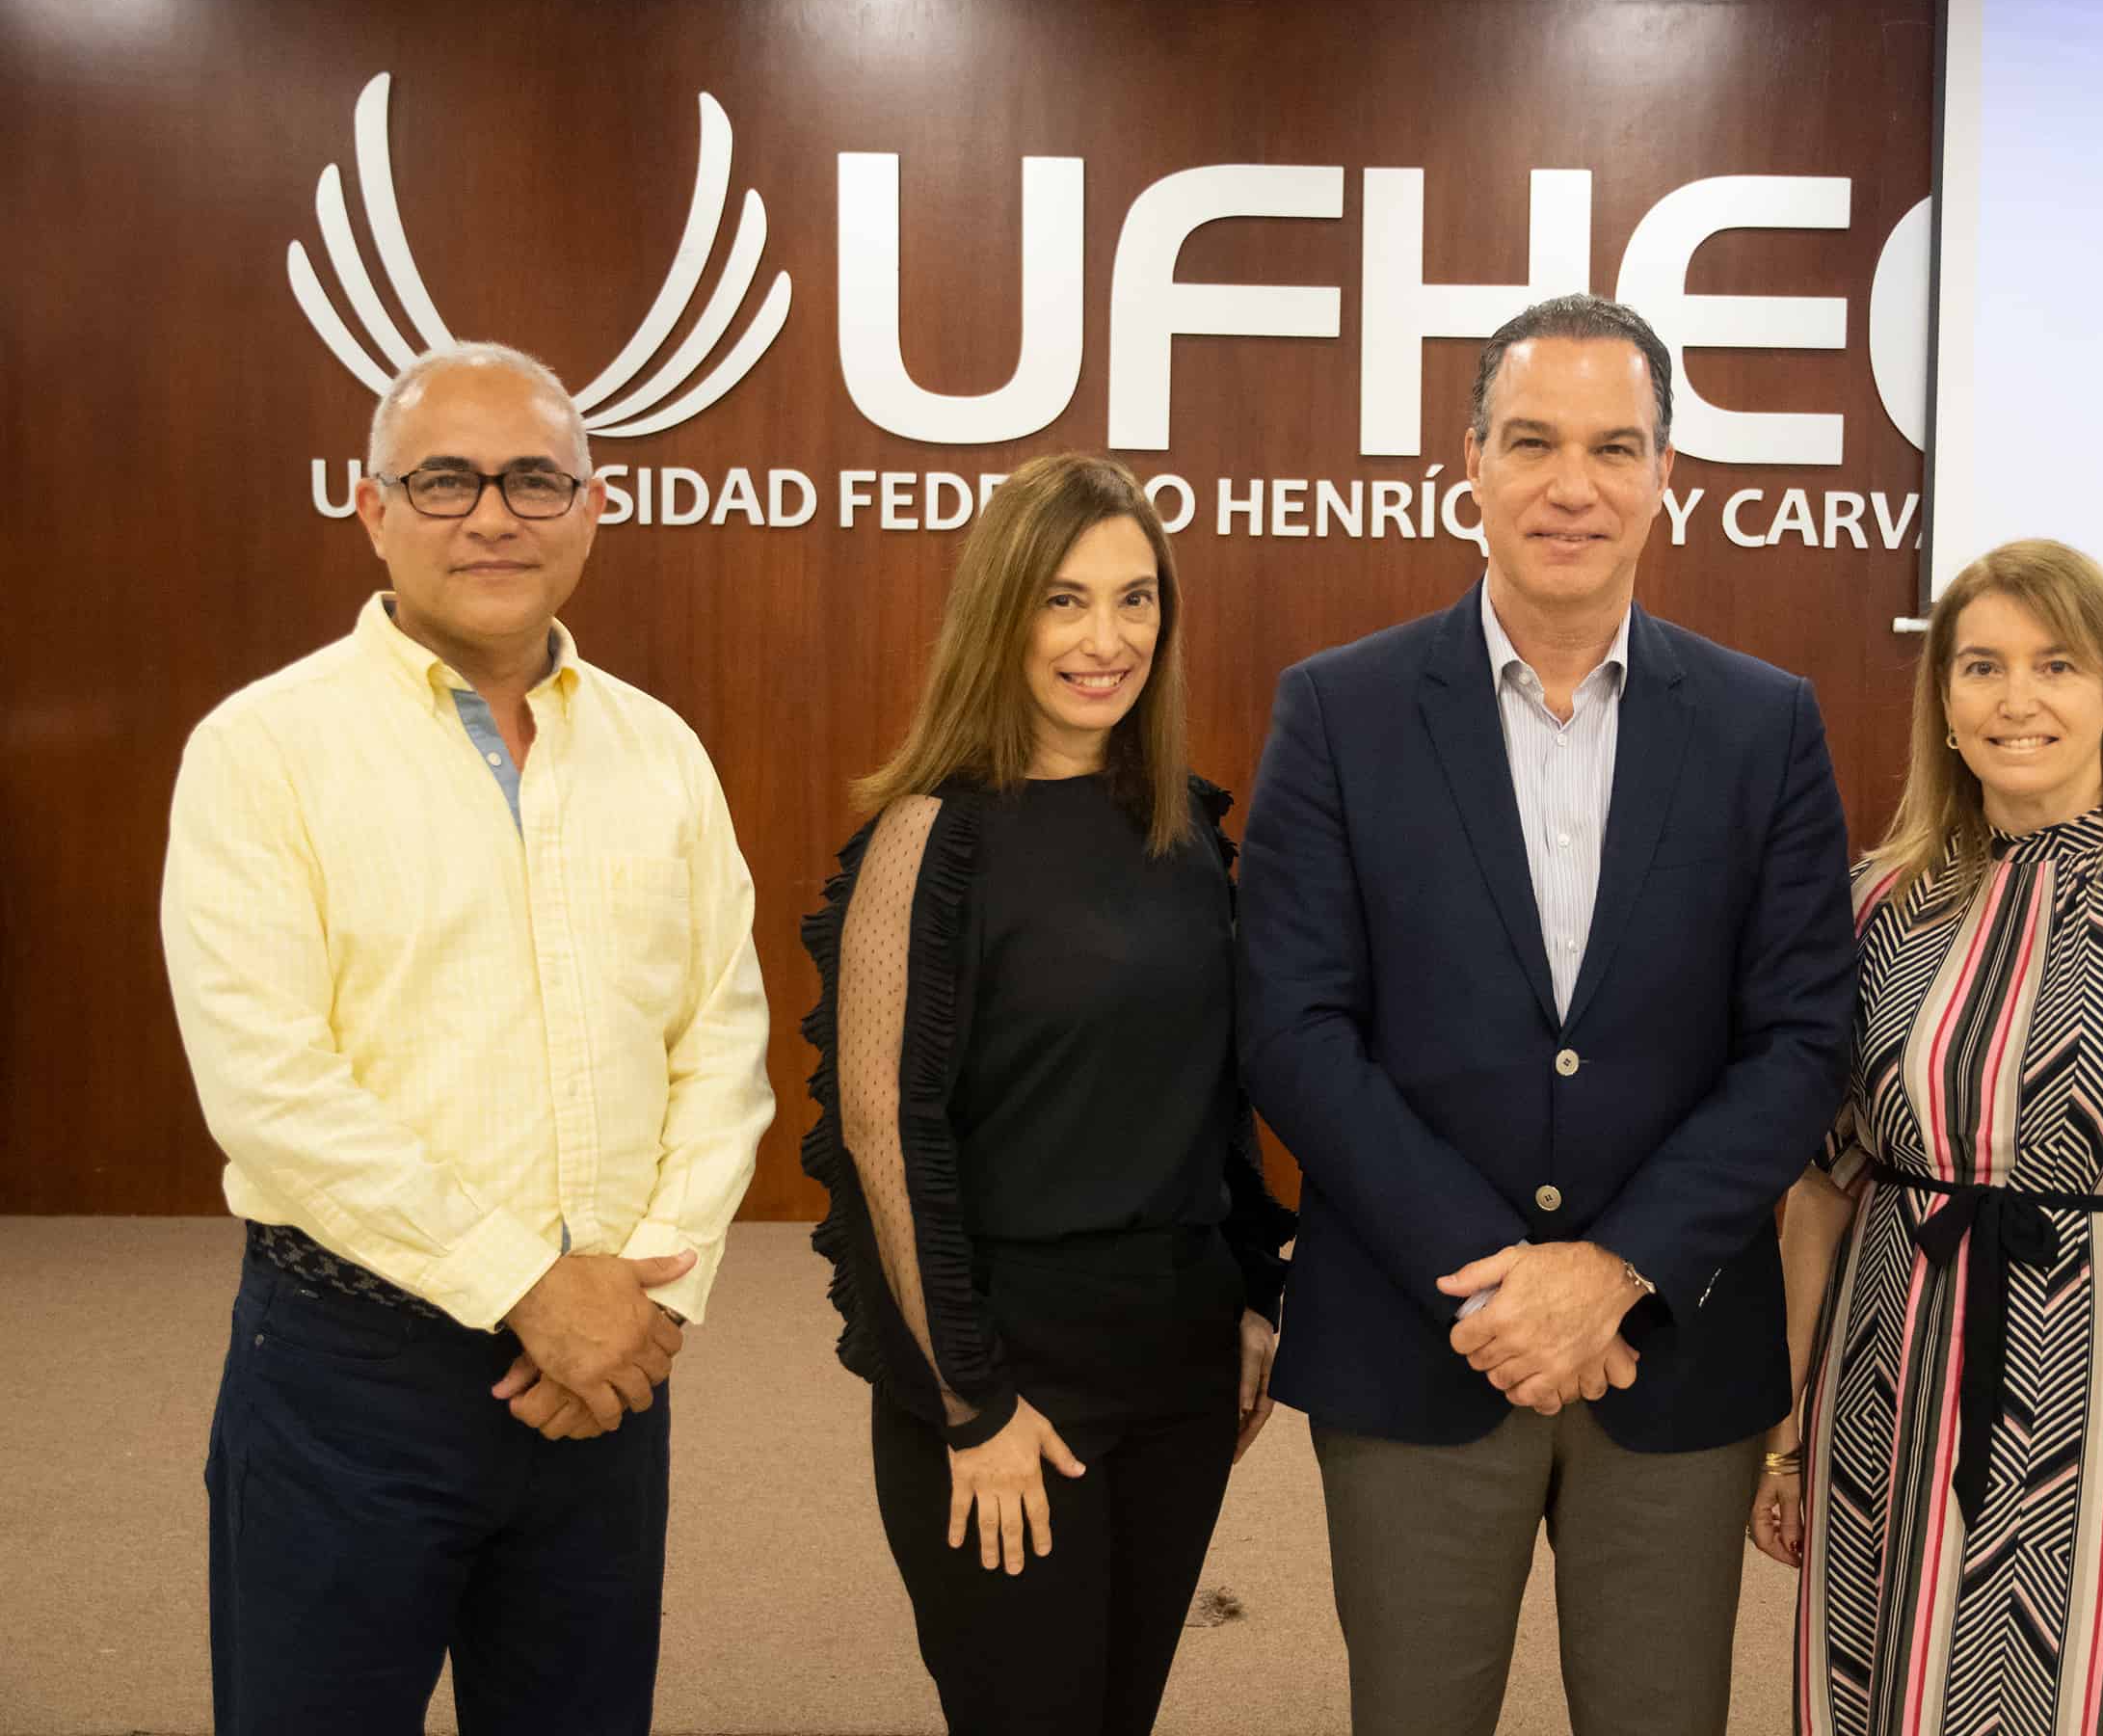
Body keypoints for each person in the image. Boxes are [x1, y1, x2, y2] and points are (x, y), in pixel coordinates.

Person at [1237, 294, 1857, 1736]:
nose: (1572, 485)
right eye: (1532, 442)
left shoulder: (1766, 726)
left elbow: (1801, 1040)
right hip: (1418, 1335)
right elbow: (1294, 1027)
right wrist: (1501, 1278)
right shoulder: (1340, 710)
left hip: (1675, 1347)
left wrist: (1615, 1268)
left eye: (1613, 446)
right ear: (1468, 463)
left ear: (1664, 477)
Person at [159, 341, 775, 1735]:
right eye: (445, 479)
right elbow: (271, 1089)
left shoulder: (660, 752)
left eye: (533, 480)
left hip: (606, 1383)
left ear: (592, 508)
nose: (493, 514)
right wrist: (529, 1290)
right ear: (373, 511)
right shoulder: (264, 750)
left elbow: (719, 1044)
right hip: (350, 1381)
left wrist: (652, 1302)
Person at [1749, 538, 2103, 1735]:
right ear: (1942, 703)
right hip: (1887, 1357)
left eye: (2056, 665)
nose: (2016, 699)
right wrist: (1786, 1429)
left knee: (2093, 1678)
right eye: (1981, 667)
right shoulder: (1880, 899)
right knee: (1882, 1677)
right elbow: (1821, 1184)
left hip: (2100, 1357)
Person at [799, 453, 1294, 1736]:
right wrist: (974, 1402)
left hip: (1179, 1361)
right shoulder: (931, 839)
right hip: (1011, 1367)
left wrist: (1249, 1295)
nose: (1106, 638)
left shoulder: (1181, 825)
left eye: (1136, 602)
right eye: (1065, 601)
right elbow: (881, 1134)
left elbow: (1211, 1087)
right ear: (1001, 615)